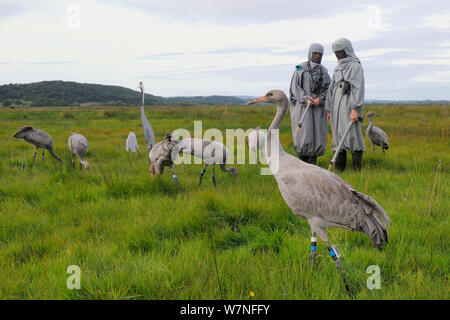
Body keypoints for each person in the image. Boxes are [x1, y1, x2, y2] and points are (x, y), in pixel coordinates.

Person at [325, 38, 365, 171]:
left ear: (347, 50)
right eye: (336, 52)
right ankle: (339, 170)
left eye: (340, 52)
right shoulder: (337, 68)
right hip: (336, 107)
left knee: (353, 136)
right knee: (337, 137)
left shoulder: (355, 66)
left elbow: (358, 87)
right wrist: (329, 109)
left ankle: (357, 170)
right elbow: (331, 89)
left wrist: (355, 108)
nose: (338, 55)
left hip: (349, 107)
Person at [289, 43, 331, 165]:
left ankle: (313, 165)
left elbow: (329, 88)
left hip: (318, 109)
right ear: (310, 53)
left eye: (320, 54)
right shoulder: (299, 69)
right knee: (304, 134)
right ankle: (301, 164)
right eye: (315, 53)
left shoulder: (324, 71)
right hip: (303, 109)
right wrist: (306, 98)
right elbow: (295, 88)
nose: (317, 56)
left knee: (316, 135)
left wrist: (320, 99)